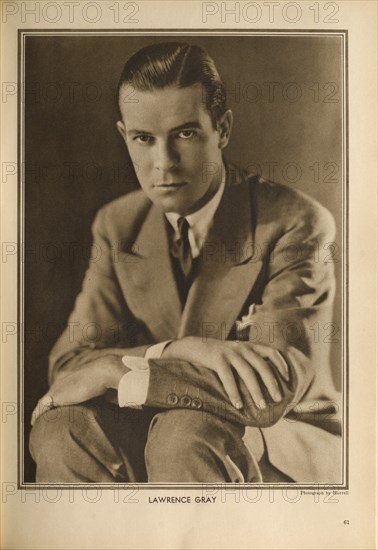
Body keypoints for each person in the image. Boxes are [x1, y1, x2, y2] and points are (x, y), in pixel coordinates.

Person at [29, 41, 341, 483]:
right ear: (124, 136)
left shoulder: (295, 222)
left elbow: (270, 393)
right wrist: (180, 350)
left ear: (224, 129)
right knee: (62, 430)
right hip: (160, 428)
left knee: (184, 434)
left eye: (186, 134)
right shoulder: (118, 224)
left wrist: (122, 372)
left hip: (282, 439)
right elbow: (69, 368)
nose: (164, 163)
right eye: (144, 139)